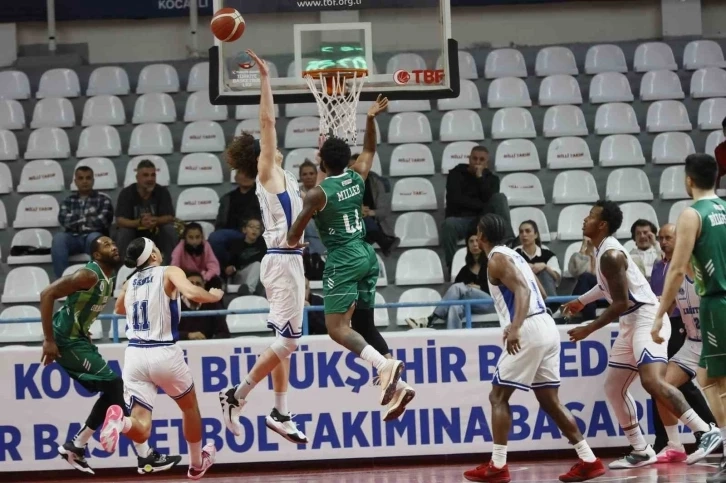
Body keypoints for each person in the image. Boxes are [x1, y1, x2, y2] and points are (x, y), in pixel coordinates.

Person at [286, 92, 415, 422]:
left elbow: (294, 234)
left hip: (342, 258)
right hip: (366, 254)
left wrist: (291, 241)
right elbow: (370, 149)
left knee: (335, 328)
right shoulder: (358, 175)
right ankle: (397, 384)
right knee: (363, 324)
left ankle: (385, 366)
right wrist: (369, 119)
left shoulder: (317, 193)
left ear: (322, 164)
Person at [563, 200, 720, 469]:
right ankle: (641, 448)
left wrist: (589, 328)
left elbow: (621, 302)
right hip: (631, 321)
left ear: (602, 225)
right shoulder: (603, 251)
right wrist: (582, 300)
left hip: (645, 318)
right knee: (614, 388)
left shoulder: (611, 255)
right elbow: (607, 288)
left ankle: (706, 430)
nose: (584, 220)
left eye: (590, 216)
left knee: (652, 382)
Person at [463, 214, 605, 483]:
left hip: (528, 327)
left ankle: (498, 465)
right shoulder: (516, 256)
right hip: (546, 325)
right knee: (550, 401)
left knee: (498, 397)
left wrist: (515, 326)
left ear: (481, 236)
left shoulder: (497, 259)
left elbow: (523, 292)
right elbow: (540, 290)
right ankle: (588, 459)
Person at [218, 50, 309, 445]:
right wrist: (266, 79)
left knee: (282, 342)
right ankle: (236, 395)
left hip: (286, 261)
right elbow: (268, 120)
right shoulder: (266, 169)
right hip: (284, 262)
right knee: (288, 342)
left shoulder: (280, 174)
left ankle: (281, 411)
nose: (273, 141)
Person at [40, 236, 180, 475]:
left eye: (114, 243)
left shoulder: (109, 277)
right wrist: (49, 340)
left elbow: (77, 306)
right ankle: (141, 455)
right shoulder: (89, 275)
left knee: (114, 389)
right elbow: (46, 294)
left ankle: (78, 445)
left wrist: (83, 328)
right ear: (96, 255)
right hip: (66, 342)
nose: (114, 246)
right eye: (106, 245)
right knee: (115, 385)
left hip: (79, 339)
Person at [99, 238, 220, 480]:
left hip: (134, 355)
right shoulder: (169, 271)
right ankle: (196, 464)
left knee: (141, 426)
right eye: (156, 248)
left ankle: (120, 423)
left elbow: (119, 309)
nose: (159, 251)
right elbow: (191, 292)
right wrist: (214, 295)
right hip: (163, 351)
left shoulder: (130, 281)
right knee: (189, 407)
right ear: (153, 256)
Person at [651, 153, 726, 481]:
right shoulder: (724, 209)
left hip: (715, 303)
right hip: (715, 308)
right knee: (692, 380)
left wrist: (657, 318)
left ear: (688, 180)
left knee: (717, 383)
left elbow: (678, 269)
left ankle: (719, 444)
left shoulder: (692, 214)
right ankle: (691, 441)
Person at [648, 223, 715, 455]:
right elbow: (668, 306)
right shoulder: (673, 273)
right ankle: (675, 445)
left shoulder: (704, 270)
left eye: (670, 238)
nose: (665, 243)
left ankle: (715, 438)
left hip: (714, 340)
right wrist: (657, 324)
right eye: (662, 238)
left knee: (718, 394)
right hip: (692, 342)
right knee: (660, 387)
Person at [442, 145, 512, 271]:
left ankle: (509, 242)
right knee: (448, 225)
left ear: (486, 163)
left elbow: (491, 199)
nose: (477, 163)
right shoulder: (455, 174)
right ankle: (452, 267)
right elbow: (455, 199)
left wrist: (480, 178)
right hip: (460, 219)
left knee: (500, 198)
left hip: (482, 219)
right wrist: (482, 205)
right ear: (469, 159)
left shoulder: (492, 179)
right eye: (474, 159)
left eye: (481, 160)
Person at [405, 233, 493, 329]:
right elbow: (455, 293)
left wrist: (480, 287)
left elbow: (500, 287)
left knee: (459, 288)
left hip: (490, 303)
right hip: (470, 305)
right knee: (454, 307)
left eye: (477, 240)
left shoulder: (491, 264)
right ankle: (454, 339)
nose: (475, 244)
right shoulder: (465, 269)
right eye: (471, 241)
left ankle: (430, 319)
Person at [52, 165, 114, 278]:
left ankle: (99, 282)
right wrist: (88, 219)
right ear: (75, 181)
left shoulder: (103, 200)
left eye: (88, 178)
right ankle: (62, 283)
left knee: (96, 239)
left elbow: (103, 222)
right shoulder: (68, 201)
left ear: (93, 180)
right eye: (81, 178)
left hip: (92, 237)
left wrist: (77, 220)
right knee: (59, 239)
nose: (84, 181)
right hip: (73, 238)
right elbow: (64, 220)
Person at [115, 159, 177, 264]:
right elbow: (120, 220)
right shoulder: (126, 193)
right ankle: (122, 268)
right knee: (124, 232)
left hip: (156, 233)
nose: (150, 178)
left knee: (169, 229)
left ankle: (172, 265)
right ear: (137, 177)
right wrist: (139, 223)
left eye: (153, 175)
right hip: (134, 234)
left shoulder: (162, 191)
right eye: (145, 175)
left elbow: (170, 217)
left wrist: (155, 220)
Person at [208, 165, 262, 267]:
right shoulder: (227, 198)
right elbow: (220, 222)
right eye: (243, 173)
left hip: (253, 231)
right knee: (215, 238)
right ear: (236, 178)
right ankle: (226, 269)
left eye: (249, 174)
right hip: (230, 233)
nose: (246, 176)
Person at [514, 220, 561, 296]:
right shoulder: (514, 253)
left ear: (535, 235)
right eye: (521, 232)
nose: (524, 234)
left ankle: (550, 306)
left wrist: (545, 267)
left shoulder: (548, 254)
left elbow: (557, 278)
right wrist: (524, 266)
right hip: (522, 291)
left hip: (543, 290)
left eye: (528, 231)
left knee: (544, 272)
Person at [179, 272, 231, 341]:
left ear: (204, 287)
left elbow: (224, 333)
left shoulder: (213, 303)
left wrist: (208, 343)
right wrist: (188, 335)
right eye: (191, 283)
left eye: (198, 284)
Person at [171, 223, 222, 289]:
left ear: (202, 237)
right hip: (185, 279)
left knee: (216, 281)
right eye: (191, 237)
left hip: (203, 278)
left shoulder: (206, 246)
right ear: (185, 238)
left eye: (197, 237)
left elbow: (214, 267)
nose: (194, 241)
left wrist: (204, 278)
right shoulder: (179, 249)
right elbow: (174, 269)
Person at [225, 218, 266, 295]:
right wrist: (230, 268)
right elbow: (230, 265)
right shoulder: (236, 244)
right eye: (251, 227)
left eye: (257, 228)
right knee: (257, 264)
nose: (254, 230)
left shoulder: (263, 245)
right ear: (244, 229)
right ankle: (249, 292)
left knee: (258, 266)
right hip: (240, 275)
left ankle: (249, 291)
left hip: (259, 276)